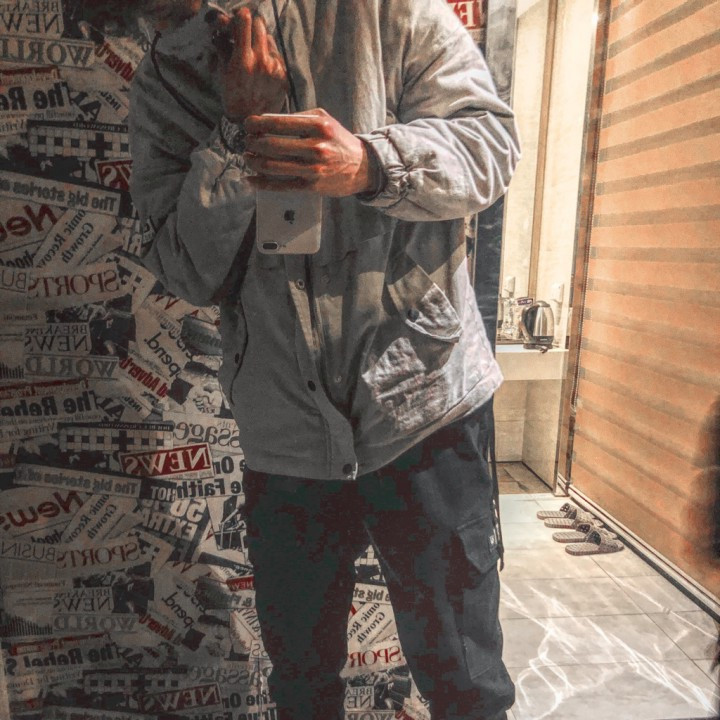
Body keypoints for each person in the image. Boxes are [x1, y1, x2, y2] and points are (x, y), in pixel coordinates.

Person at [127, 1, 521, 718]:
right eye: (156, 21)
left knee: (465, 680)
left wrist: (370, 164)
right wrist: (234, 137)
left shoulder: (382, 9)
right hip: (285, 432)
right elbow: (182, 268)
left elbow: (492, 146)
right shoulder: (163, 83)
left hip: (424, 404)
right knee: (302, 681)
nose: (176, 34)